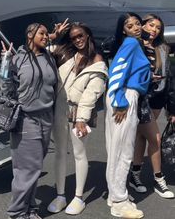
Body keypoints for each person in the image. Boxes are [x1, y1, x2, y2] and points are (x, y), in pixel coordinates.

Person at [47, 22, 108, 215]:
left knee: (79, 154)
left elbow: (92, 93)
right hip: (59, 109)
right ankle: (60, 195)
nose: (78, 40)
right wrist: (52, 37)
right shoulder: (65, 53)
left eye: (80, 36)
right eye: (73, 37)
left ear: (88, 35)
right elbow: (38, 49)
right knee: (59, 152)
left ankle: (79, 197)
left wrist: (81, 118)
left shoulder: (97, 60)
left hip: (79, 113)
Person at [1, 23, 58, 219]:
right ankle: (17, 213)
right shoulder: (17, 59)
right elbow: (6, 89)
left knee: (35, 168)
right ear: (30, 35)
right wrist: (5, 63)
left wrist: (55, 33)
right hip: (25, 119)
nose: (46, 36)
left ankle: (30, 209)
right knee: (27, 169)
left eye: (46, 34)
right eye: (41, 33)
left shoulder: (49, 57)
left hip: (46, 118)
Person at [105, 12, 151, 219]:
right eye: (130, 25)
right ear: (123, 29)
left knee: (116, 148)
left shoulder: (132, 44)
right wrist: (120, 102)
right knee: (124, 151)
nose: (136, 27)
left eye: (137, 24)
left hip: (124, 95)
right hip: (125, 96)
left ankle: (115, 194)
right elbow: (116, 70)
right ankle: (119, 202)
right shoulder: (131, 44)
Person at [130, 14, 175, 199]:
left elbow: (170, 78)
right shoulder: (133, 45)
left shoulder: (163, 48)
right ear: (143, 25)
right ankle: (158, 178)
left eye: (157, 27)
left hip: (157, 98)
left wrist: (172, 109)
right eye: (150, 25)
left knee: (141, 136)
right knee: (154, 139)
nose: (154, 30)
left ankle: (135, 174)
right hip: (140, 98)